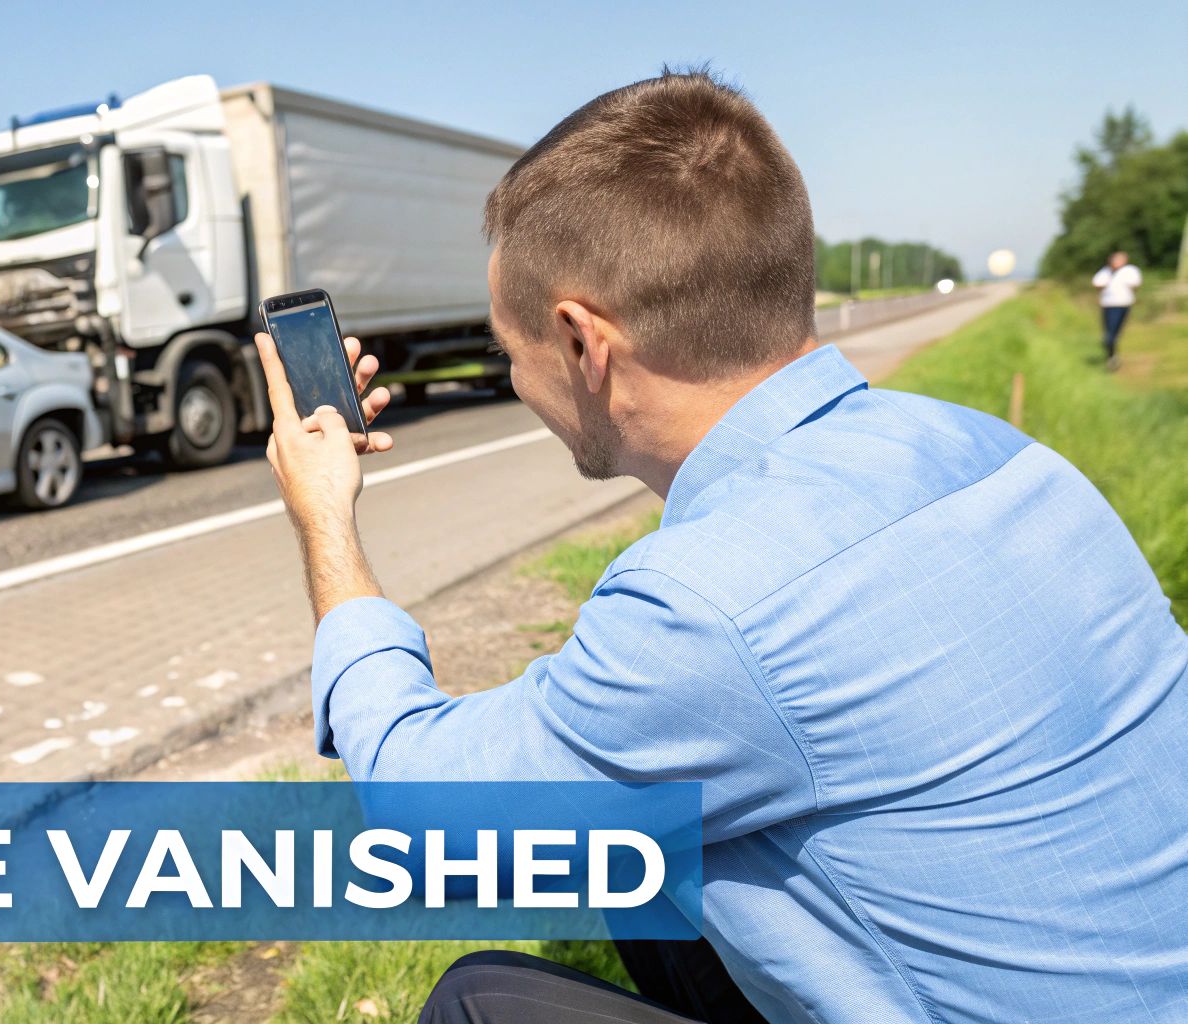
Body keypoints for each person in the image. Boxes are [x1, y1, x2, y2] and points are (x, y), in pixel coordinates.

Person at [255, 70, 1188, 1023]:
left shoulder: (712, 607)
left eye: (508, 351)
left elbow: (424, 827)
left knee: (481, 1000)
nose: (514, 378)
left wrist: (325, 519)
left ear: (583, 343)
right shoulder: (1001, 453)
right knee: (645, 858)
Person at [1092, 251, 1142, 369]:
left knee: (1114, 333)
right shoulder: (1105, 272)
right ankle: (1112, 356)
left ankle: (1112, 356)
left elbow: (1136, 284)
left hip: (1123, 305)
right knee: (1109, 334)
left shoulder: (1130, 271)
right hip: (1108, 305)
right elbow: (1096, 283)